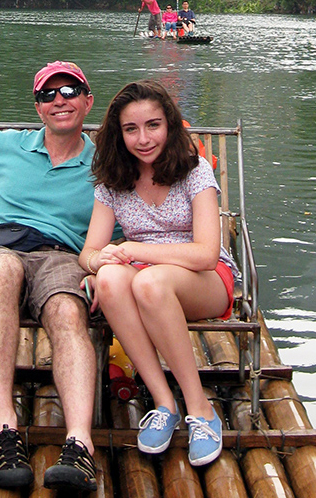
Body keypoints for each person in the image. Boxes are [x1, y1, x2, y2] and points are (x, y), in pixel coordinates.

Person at [0, 61, 99, 492]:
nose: (59, 101)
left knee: (66, 308)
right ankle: (4, 427)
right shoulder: (5, 145)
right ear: (38, 107)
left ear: (87, 101)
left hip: (65, 255)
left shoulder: (106, 164)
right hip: (0, 246)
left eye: (70, 92)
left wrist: (106, 264)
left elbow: (125, 223)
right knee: (4, 270)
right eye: (49, 94)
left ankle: (80, 444)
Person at [79, 80, 237, 468]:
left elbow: (205, 253)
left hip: (204, 279)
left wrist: (132, 250)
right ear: (119, 134)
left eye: (153, 125)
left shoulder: (194, 170)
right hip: (144, 280)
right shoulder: (115, 180)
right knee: (115, 279)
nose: (143, 138)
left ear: (169, 125)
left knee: (149, 279)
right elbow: (89, 252)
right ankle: (164, 403)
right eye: (131, 129)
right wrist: (99, 265)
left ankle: (200, 411)